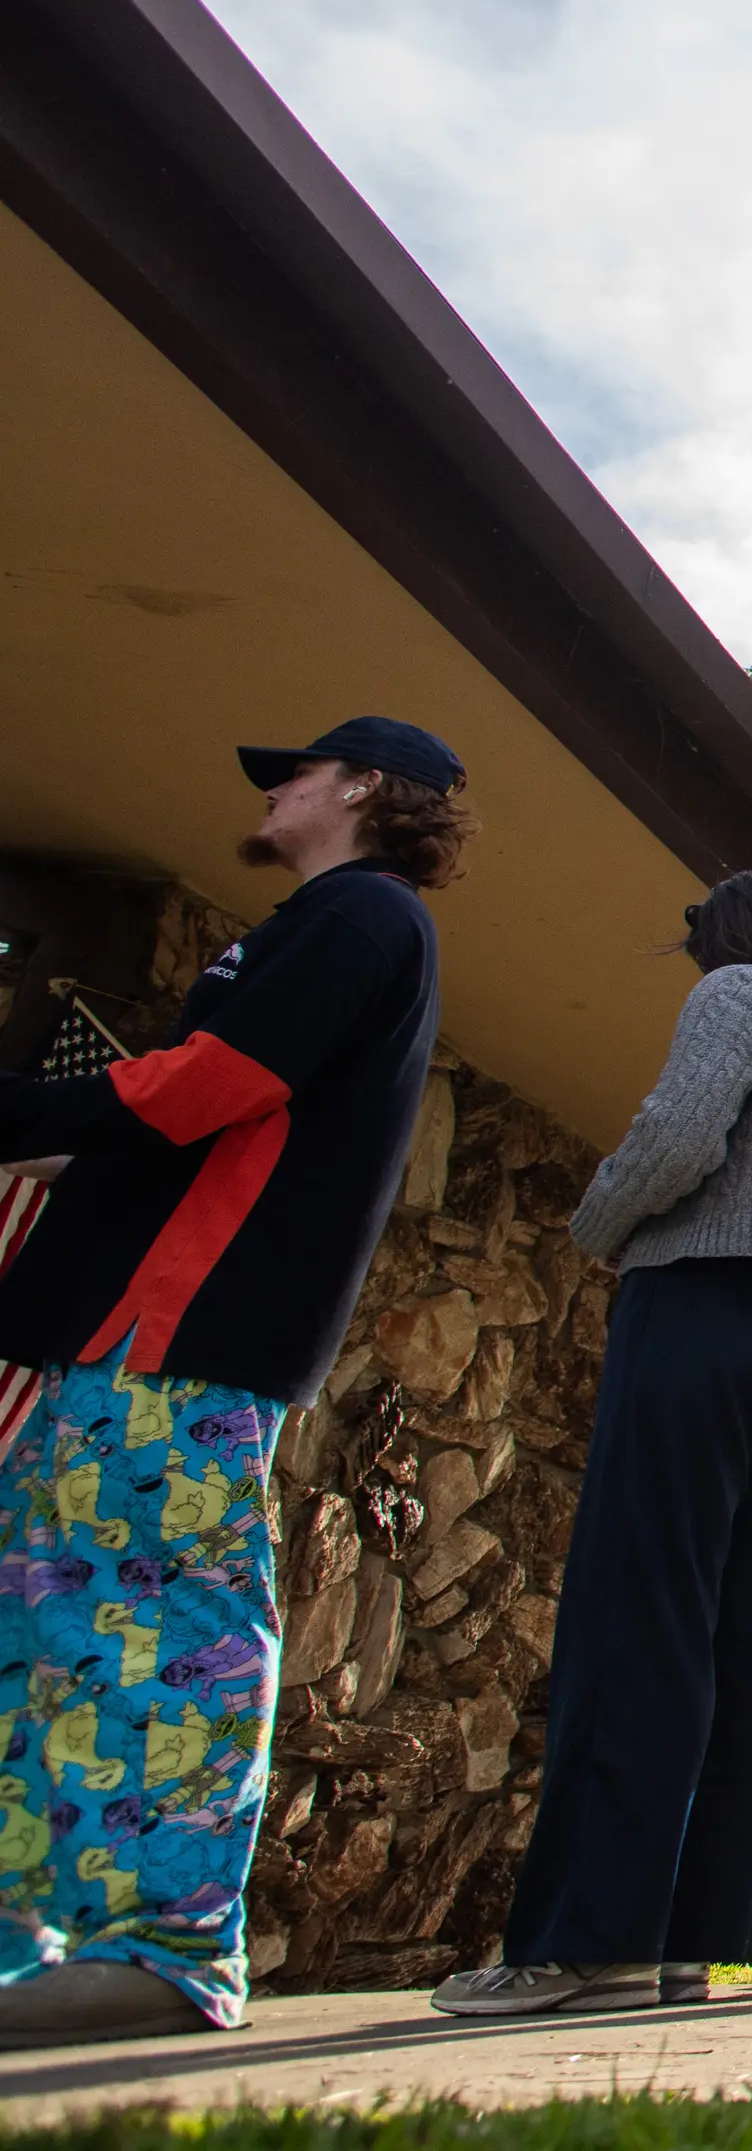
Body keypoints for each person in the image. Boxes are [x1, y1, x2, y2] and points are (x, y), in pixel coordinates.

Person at [0, 719, 467, 2042]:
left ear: (365, 789)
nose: (272, 790)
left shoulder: (362, 918)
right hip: (121, 1349)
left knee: (157, 1631)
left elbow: (210, 1088)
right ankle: (42, 1943)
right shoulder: (322, 928)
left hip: (180, 1347)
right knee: (49, 1639)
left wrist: (29, 1111)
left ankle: (165, 1949)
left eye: (297, 771)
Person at [437, 875, 752, 2017]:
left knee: (639, 1611)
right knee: (751, 1630)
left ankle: (582, 1941)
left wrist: (596, 1224)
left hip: (703, 1309)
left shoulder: (738, 995)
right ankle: (690, 1937)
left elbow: (678, 1135)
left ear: (734, 936)